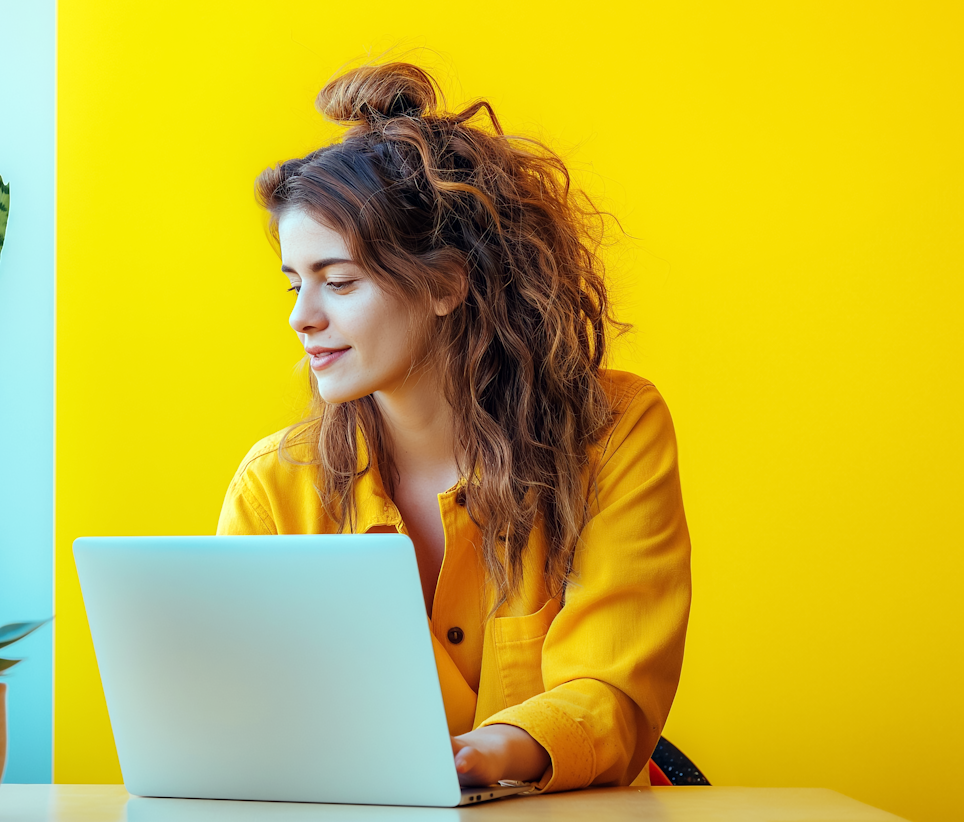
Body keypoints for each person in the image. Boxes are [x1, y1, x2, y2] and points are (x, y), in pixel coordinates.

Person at [217, 62, 691, 792]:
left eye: (339, 281)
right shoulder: (274, 485)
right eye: (294, 282)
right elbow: (233, 714)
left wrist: (474, 756)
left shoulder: (615, 432)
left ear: (444, 282)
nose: (301, 316)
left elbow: (612, 690)